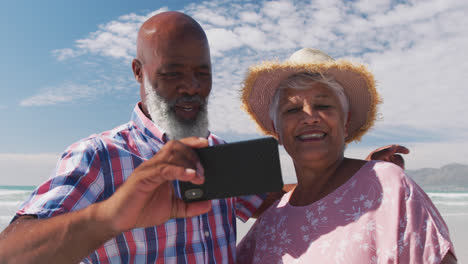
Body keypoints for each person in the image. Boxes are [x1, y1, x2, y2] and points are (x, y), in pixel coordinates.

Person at [0, 12, 408, 263]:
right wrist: (112, 216)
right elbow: (12, 253)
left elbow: (276, 199)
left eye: (202, 73)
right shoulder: (100, 156)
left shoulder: (217, 154)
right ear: (139, 72)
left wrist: (354, 177)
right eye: (172, 73)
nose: (191, 87)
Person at [236, 48, 457, 263]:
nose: (310, 117)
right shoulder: (269, 224)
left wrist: (364, 177)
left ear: (346, 121)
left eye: (323, 105)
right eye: (292, 110)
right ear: (277, 130)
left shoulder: (390, 187)